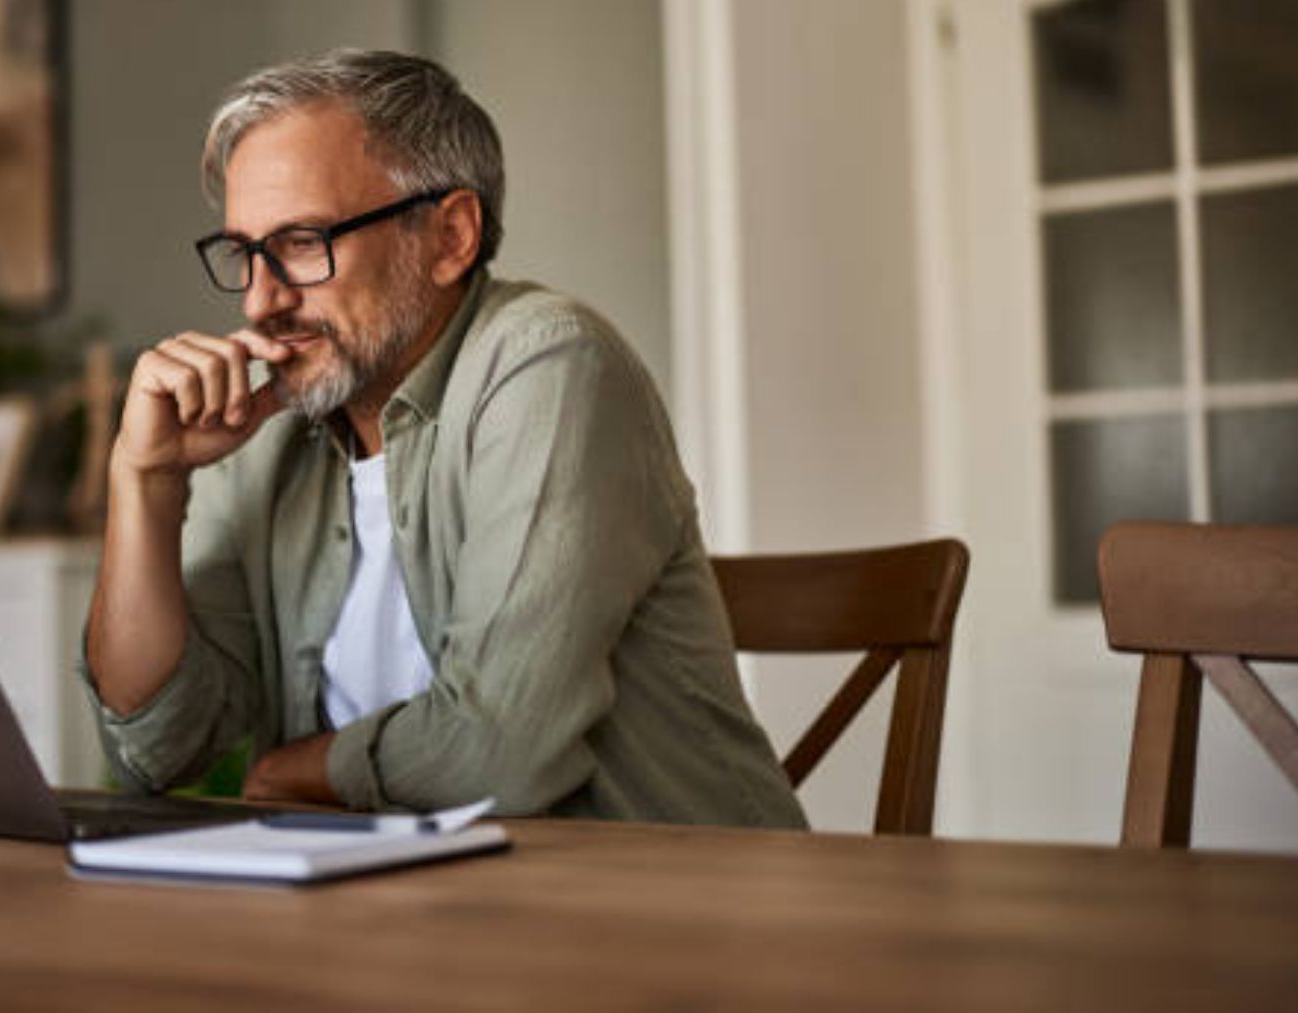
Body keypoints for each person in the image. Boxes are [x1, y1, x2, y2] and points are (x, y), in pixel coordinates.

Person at [82, 49, 805, 827]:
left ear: (451, 235)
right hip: (395, 905)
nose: (261, 301)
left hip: (667, 909)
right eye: (245, 254)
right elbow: (155, 749)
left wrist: (303, 769)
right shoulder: (267, 424)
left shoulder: (548, 363)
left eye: (301, 242)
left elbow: (500, 752)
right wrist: (145, 480)